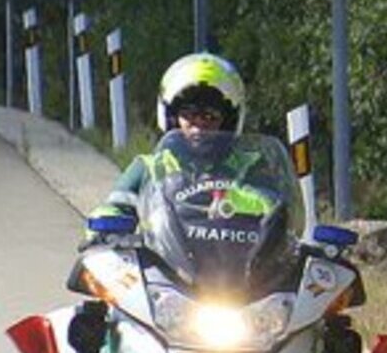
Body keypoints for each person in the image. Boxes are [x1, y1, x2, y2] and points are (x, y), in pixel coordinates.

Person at [86, 52, 271, 234]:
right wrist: (106, 222)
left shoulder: (250, 165)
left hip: (239, 261)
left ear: (229, 121)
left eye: (209, 116)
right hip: (159, 261)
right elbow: (115, 206)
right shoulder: (150, 167)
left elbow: (275, 207)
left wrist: (224, 197)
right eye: (189, 115)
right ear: (172, 118)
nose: (199, 125)